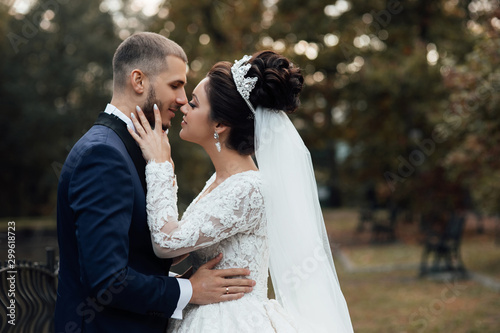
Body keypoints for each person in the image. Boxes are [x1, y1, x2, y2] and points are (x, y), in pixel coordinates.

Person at [129, 50, 354, 332]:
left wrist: (160, 167)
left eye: (195, 104)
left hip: (231, 321)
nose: (184, 106)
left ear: (220, 125)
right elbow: (180, 246)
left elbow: (166, 242)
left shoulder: (250, 188)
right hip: (206, 311)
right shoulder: (222, 180)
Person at [55, 32, 255, 333]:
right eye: (175, 85)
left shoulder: (127, 148)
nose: (182, 99)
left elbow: (134, 256)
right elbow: (107, 280)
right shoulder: (103, 155)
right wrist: (189, 290)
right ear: (138, 81)